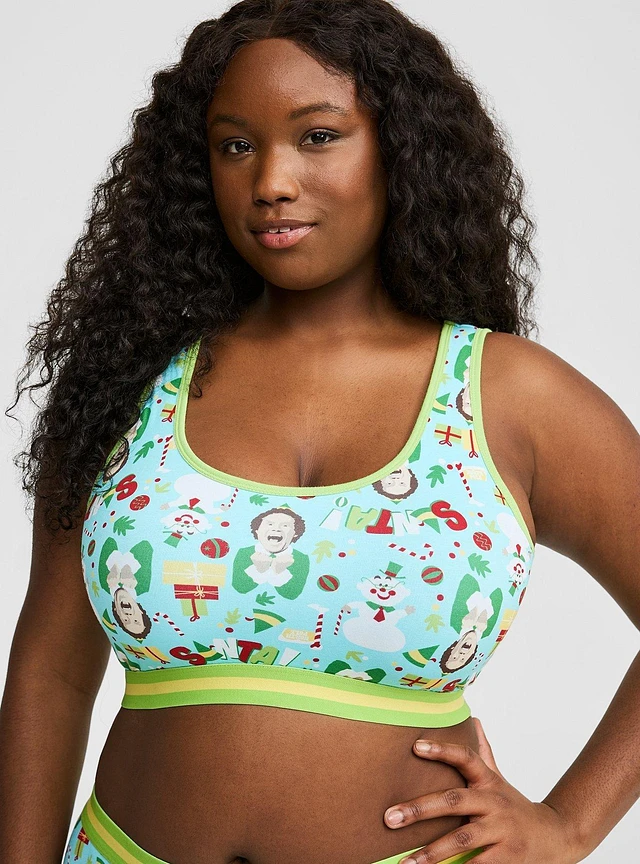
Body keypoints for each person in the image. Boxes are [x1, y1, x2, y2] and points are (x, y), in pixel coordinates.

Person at [1, 1, 638, 863]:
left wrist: (569, 825)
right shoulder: (124, 383)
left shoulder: (510, 395)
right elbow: (50, 673)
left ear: (401, 148)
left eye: (319, 136)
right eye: (236, 145)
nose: (270, 180)